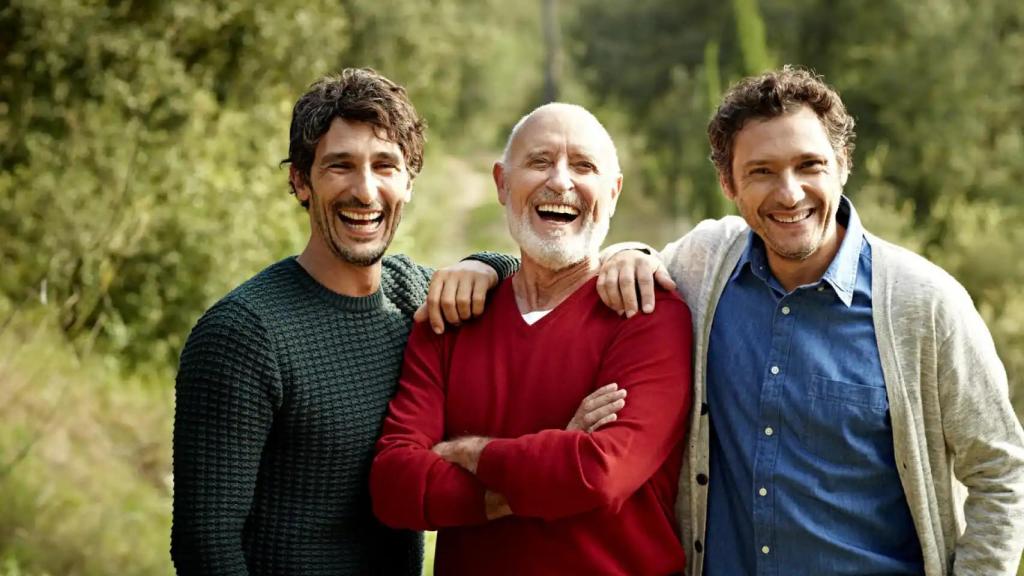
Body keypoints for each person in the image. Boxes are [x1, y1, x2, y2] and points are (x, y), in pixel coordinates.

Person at [599, 66, 1024, 575]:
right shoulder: (702, 266)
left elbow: (1000, 470)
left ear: (843, 164)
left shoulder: (925, 304)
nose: (790, 193)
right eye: (761, 171)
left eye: (810, 165)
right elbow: (600, 264)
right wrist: (622, 253)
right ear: (728, 182)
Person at [170, 68, 531, 576]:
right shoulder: (243, 335)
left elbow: (532, 288)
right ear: (300, 180)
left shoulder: (419, 298)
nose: (365, 192)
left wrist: (486, 265)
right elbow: (205, 547)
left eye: (385, 166)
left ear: (408, 182)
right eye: (340, 166)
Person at [370, 102, 693, 576]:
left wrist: (467, 452)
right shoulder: (449, 318)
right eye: (540, 161)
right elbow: (395, 486)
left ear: (614, 191)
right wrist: (551, 463)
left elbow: (598, 473)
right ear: (502, 183)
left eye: (583, 166)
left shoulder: (649, 316)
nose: (560, 181)